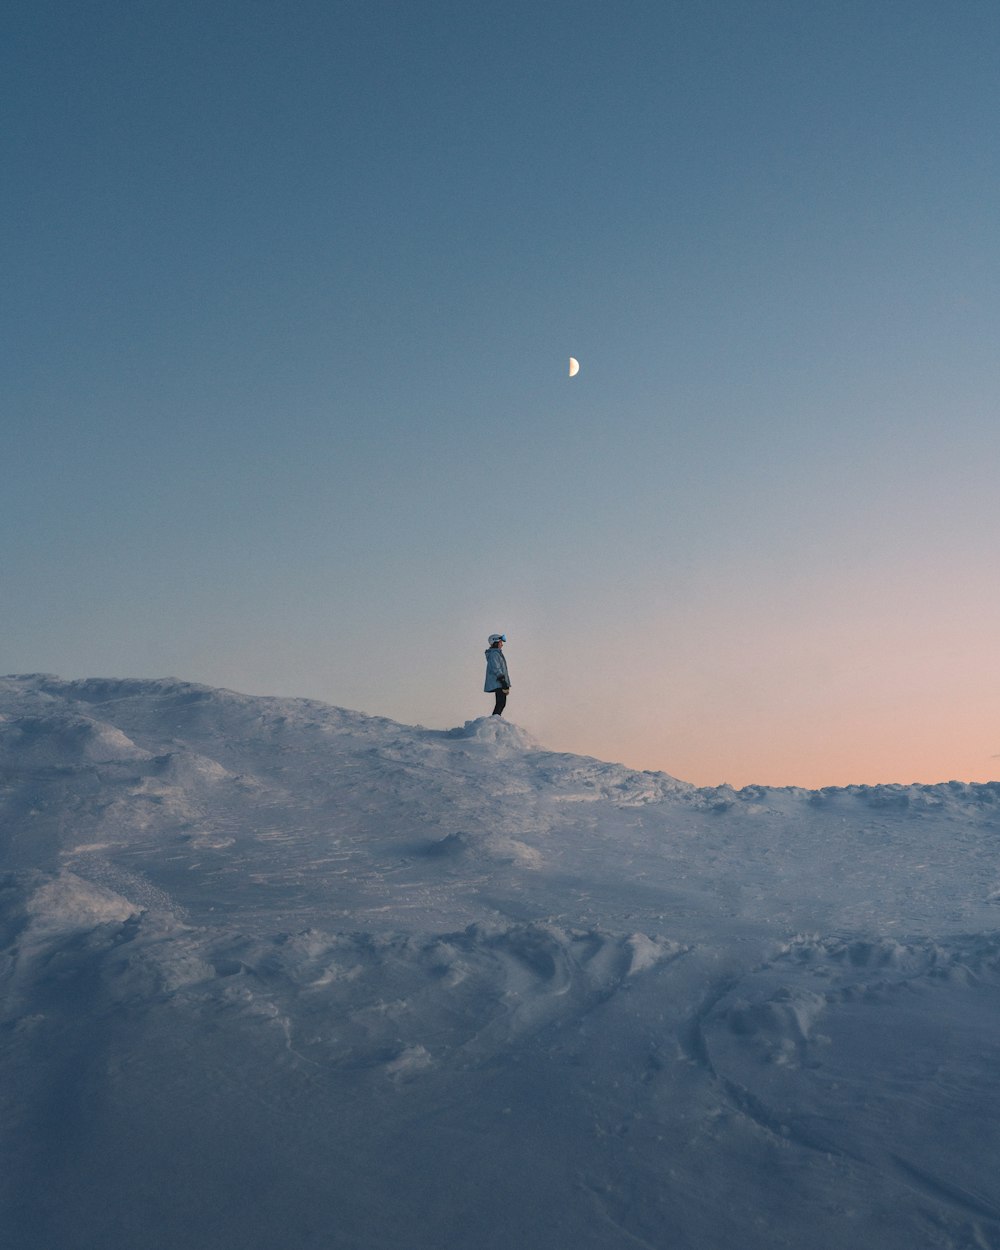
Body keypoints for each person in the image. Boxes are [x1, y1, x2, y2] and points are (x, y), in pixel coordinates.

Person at [484, 633, 511, 716]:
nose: (502, 644)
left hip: (499, 681)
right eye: (500, 642)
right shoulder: (494, 654)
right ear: (495, 642)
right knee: (500, 703)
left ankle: (495, 721)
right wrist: (503, 681)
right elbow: (496, 668)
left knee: (501, 703)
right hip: (498, 682)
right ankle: (493, 721)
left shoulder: (497, 654)